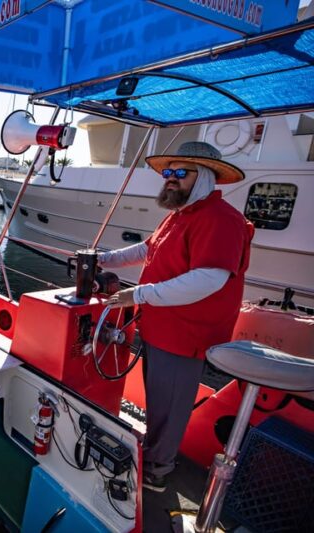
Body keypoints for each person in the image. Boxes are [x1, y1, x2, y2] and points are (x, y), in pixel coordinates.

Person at [100, 142, 254, 492]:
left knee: (169, 408)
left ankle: (156, 471)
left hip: (185, 336)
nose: (170, 179)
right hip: (159, 329)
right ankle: (154, 454)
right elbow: (147, 250)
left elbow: (209, 279)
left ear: (205, 178)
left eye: (180, 173)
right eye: (168, 173)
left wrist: (138, 294)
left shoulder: (221, 220)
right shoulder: (181, 213)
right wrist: (104, 259)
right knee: (159, 401)